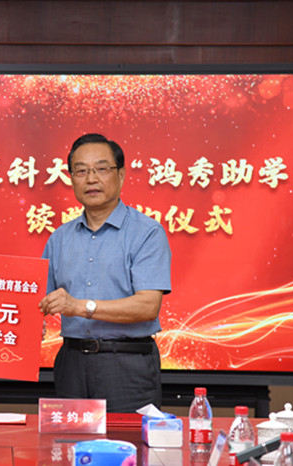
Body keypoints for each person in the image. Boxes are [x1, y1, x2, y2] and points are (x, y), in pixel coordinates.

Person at [38, 133, 171, 413]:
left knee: (127, 442)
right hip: (71, 363)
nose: (91, 179)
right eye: (81, 171)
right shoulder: (59, 239)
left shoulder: (147, 233)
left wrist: (79, 306)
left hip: (127, 366)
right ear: (71, 178)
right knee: (68, 442)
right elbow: (37, 303)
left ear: (121, 175)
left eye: (101, 169)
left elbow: (148, 306)